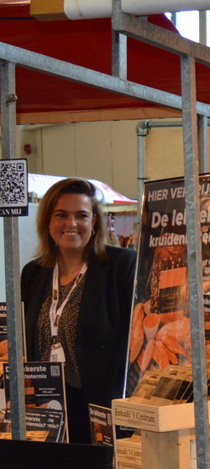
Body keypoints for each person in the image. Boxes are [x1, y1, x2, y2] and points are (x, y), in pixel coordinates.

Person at [20, 178, 137, 444]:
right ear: (47, 222)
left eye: (81, 215)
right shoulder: (34, 273)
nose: (71, 224)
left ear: (94, 221)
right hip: (46, 408)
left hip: (100, 407)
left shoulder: (121, 265)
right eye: (61, 215)